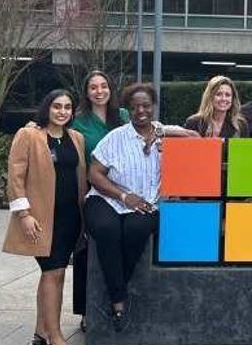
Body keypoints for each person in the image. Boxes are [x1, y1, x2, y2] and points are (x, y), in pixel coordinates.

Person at [84, 82, 195, 332]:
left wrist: (165, 134)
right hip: (108, 198)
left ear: (153, 106)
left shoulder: (163, 134)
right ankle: (118, 301)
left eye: (146, 105)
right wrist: (124, 196)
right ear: (128, 110)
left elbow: (196, 138)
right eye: (135, 107)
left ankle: (114, 291)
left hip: (147, 203)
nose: (141, 111)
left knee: (135, 230)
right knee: (107, 229)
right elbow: (95, 174)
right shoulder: (116, 137)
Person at [3, 89, 87, 345]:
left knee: (53, 274)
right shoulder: (29, 135)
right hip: (40, 220)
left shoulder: (77, 138)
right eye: (56, 106)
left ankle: (41, 329)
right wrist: (23, 214)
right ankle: (56, 337)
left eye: (67, 107)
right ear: (47, 108)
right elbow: (15, 175)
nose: (62, 111)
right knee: (55, 273)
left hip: (71, 217)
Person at [68, 70, 124, 331]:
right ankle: (86, 310)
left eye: (104, 86)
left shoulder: (123, 117)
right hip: (91, 192)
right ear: (86, 92)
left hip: (124, 194)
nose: (99, 91)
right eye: (93, 87)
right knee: (85, 250)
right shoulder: (78, 122)